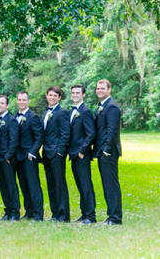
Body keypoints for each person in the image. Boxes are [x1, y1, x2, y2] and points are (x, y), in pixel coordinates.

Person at [94, 79, 123, 225]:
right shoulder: (101, 106)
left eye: (102, 88)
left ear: (109, 89)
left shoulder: (111, 107)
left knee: (111, 185)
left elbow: (112, 131)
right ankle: (111, 215)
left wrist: (106, 150)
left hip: (109, 152)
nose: (99, 91)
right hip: (102, 151)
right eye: (98, 88)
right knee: (107, 184)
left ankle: (115, 217)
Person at [13, 91, 44, 221]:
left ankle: (38, 213)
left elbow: (39, 137)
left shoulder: (33, 117)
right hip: (18, 156)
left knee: (33, 185)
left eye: (24, 100)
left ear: (28, 101)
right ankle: (29, 211)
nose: (21, 102)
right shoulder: (15, 117)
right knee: (23, 185)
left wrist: (33, 152)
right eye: (19, 100)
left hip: (29, 156)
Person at [68, 84, 96, 224]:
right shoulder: (73, 111)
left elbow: (91, 133)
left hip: (81, 155)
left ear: (83, 95)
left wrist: (82, 151)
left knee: (86, 185)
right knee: (80, 185)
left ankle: (91, 216)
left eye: (78, 93)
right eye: (73, 93)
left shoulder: (85, 111)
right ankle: (84, 213)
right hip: (73, 154)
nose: (75, 95)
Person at [42, 86, 70, 222]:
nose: (52, 98)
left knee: (59, 184)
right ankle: (55, 213)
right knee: (51, 185)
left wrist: (59, 152)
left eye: (55, 96)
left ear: (59, 98)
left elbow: (65, 134)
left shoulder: (62, 113)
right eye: (50, 95)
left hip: (56, 154)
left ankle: (63, 215)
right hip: (46, 154)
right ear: (46, 96)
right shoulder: (46, 112)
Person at [0, 95, 20, 221]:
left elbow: (14, 140)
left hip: (7, 159)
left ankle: (15, 212)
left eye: (2, 103)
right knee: (3, 186)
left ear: (7, 105)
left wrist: (8, 156)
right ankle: (7, 210)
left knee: (11, 185)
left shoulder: (11, 120)